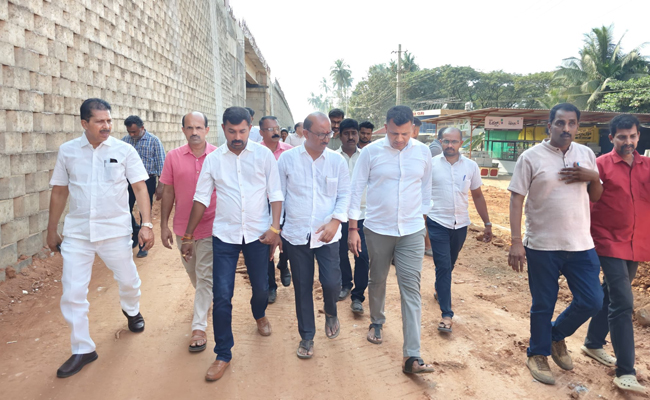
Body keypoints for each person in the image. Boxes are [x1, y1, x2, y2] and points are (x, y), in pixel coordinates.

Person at [47, 98, 154, 378]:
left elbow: (140, 187)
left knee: (128, 280)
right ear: (85, 123)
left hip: (115, 231)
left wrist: (147, 224)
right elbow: (59, 191)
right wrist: (51, 229)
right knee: (72, 292)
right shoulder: (68, 151)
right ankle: (83, 348)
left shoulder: (124, 150)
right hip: (78, 233)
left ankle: (131, 309)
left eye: (109, 120)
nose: (106, 126)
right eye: (99, 121)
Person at [180, 106, 283, 382]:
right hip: (224, 236)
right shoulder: (214, 160)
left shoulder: (264, 156)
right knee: (222, 296)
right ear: (223, 129)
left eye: (242, 131)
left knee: (261, 288)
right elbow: (201, 198)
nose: (237, 137)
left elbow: (275, 194)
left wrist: (275, 228)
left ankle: (259, 313)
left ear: (250, 128)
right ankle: (223, 353)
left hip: (258, 235)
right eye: (231, 131)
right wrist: (188, 235)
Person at [508, 103, 604, 385]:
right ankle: (537, 354)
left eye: (572, 123)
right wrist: (516, 241)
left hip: (581, 243)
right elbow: (516, 199)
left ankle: (555, 335)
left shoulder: (586, 154)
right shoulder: (530, 157)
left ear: (578, 127)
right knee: (543, 304)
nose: (566, 128)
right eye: (560, 123)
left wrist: (593, 176)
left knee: (592, 300)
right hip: (542, 245)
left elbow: (596, 195)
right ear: (549, 126)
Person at [348, 105, 435, 374]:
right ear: (385, 127)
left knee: (411, 289)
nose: (399, 139)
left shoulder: (423, 152)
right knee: (377, 279)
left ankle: (412, 355)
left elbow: (426, 189)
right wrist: (353, 228)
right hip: (377, 229)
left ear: (413, 129)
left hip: (411, 231)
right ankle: (377, 321)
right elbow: (356, 189)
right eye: (394, 133)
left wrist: (422, 223)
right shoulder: (371, 152)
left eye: (405, 134)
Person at [582, 114, 649, 394]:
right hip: (607, 241)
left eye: (632, 136)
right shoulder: (600, 165)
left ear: (638, 136)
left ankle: (593, 343)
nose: (628, 141)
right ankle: (626, 371)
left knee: (610, 293)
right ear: (612, 138)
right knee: (622, 301)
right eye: (622, 137)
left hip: (636, 243)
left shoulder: (647, 167)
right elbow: (587, 200)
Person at [278, 112, 350, 359]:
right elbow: (279, 196)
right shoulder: (287, 160)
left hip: (327, 234)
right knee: (302, 286)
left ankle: (331, 311)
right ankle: (307, 336)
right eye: (321, 134)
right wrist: (277, 229)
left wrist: (335, 221)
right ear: (305, 133)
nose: (326, 138)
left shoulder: (337, 161)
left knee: (331, 283)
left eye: (329, 133)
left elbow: (344, 195)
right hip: (296, 234)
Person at [159, 111, 217, 353]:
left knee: (205, 275)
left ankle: (199, 327)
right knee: (193, 273)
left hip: (212, 226)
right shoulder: (173, 157)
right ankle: (206, 299)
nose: (194, 132)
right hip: (183, 228)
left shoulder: (218, 156)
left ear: (207, 130)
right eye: (190, 128)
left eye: (199, 127)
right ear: (183, 130)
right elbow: (168, 192)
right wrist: (163, 225)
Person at [427, 127, 492, 333]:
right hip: (437, 222)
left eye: (454, 141)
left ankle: (439, 288)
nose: (450, 145)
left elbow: (477, 195)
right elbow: (421, 194)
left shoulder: (471, 166)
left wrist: (487, 223)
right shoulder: (430, 165)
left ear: (461, 143)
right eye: (446, 141)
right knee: (443, 266)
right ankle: (446, 315)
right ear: (440, 141)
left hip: (461, 224)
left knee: (450, 263)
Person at [334, 119, 369, 315]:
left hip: (363, 214)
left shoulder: (367, 157)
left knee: (362, 255)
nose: (350, 137)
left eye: (354, 133)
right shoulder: (333, 158)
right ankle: (345, 284)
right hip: (340, 215)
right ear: (340, 136)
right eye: (346, 133)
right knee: (340, 253)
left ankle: (358, 295)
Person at [259, 116, 293, 303]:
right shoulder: (255, 152)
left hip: (286, 203)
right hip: (263, 205)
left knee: (286, 239)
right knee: (267, 243)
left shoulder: (289, 151)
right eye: (270, 129)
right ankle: (271, 285)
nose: (275, 132)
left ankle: (284, 263)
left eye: (277, 128)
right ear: (261, 132)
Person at [122, 115, 166, 258]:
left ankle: (143, 246)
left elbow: (161, 164)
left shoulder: (154, 141)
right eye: (129, 132)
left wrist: (160, 186)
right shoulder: (125, 142)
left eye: (134, 131)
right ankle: (135, 231)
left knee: (144, 212)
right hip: (128, 181)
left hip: (147, 181)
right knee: (124, 209)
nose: (131, 134)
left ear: (142, 128)